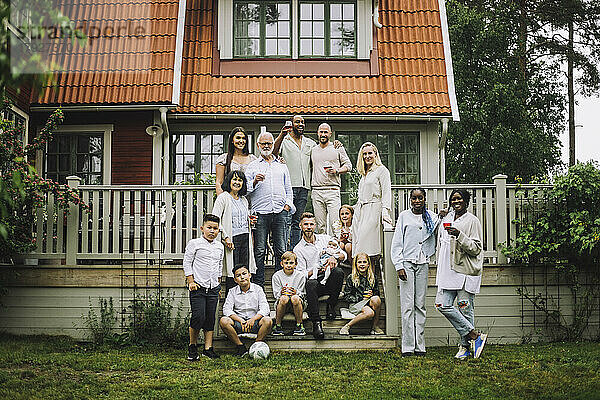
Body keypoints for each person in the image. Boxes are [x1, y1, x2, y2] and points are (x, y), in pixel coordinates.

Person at [435, 189, 487, 360]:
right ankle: (474, 335)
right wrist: (440, 216)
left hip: (464, 271)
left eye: (459, 199)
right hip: (446, 271)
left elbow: (476, 248)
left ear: (466, 202)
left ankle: (465, 347)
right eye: (453, 199)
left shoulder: (473, 221)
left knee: (465, 308)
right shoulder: (446, 218)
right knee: (442, 305)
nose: (456, 202)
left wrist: (459, 235)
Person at [391, 188, 441, 356]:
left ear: (424, 199)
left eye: (420, 198)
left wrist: (444, 215)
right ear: (410, 200)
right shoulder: (404, 216)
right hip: (407, 263)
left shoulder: (431, 217)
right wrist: (399, 265)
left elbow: (441, 224)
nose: (417, 201)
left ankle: (420, 346)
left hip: (423, 262)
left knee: (420, 304)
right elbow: (397, 242)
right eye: (414, 198)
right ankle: (407, 346)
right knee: (407, 305)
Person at [245, 131, 295, 287]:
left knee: (281, 249)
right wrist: (254, 182)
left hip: (280, 212)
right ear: (258, 145)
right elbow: (244, 190)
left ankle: (281, 283)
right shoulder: (252, 166)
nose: (266, 146)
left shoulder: (281, 165)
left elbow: (288, 188)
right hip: (260, 213)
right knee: (259, 250)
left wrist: (287, 205)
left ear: (273, 145)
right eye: (263, 143)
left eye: (269, 143)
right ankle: (258, 283)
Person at [293, 212, 345, 339]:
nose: (309, 227)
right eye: (306, 224)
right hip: (315, 284)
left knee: (338, 272)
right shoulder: (298, 249)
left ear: (315, 225)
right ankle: (316, 322)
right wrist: (317, 270)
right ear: (300, 226)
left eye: (311, 224)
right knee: (311, 283)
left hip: (329, 280)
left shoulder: (325, 239)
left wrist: (334, 257)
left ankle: (331, 305)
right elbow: (301, 274)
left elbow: (344, 255)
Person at [183, 213, 224, 361]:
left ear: (219, 230)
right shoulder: (195, 244)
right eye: (209, 228)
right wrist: (191, 281)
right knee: (198, 317)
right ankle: (192, 346)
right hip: (198, 287)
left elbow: (219, 265)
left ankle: (208, 348)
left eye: (215, 228)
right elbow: (187, 263)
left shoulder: (219, 247)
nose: (212, 231)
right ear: (202, 228)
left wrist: (218, 284)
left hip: (213, 288)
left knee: (209, 318)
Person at [273, 116, 316, 250]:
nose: (301, 124)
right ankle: (285, 252)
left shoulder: (310, 143)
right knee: (286, 221)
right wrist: (281, 134)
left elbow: (321, 151)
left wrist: (335, 146)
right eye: (297, 122)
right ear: (291, 124)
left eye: (303, 122)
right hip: (288, 188)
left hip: (304, 187)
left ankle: (295, 252)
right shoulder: (284, 141)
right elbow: (273, 153)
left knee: (297, 222)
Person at [211, 170, 256, 294]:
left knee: (244, 272)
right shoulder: (223, 198)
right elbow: (215, 219)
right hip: (232, 239)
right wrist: (225, 238)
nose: (237, 182)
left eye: (240, 180)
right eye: (234, 179)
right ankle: (229, 303)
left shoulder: (244, 200)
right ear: (229, 181)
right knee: (233, 273)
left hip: (245, 238)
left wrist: (250, 222)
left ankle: (243, 302)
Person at [352, 142, 393, 264]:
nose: (367, 156)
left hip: (374, 209)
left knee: (368, 246)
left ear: (375, 154)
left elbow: (386, 192)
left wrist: (385, 211)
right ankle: (360, 279)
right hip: (361, 211)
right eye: (364, 154)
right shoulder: (364, 173)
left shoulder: (381, 170)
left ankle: (371, 278)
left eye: (370, 153)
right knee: (358, 245)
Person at [220, 264, 273, 356]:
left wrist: (253, 320)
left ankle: (256, 346)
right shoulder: (232, 291)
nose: (242, 277)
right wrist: (241, 320)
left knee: (267, 320)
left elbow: (265, 308)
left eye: (244, 274)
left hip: (255, 323)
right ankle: (241, 347)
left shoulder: (258, 289)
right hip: (239, 324)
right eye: (238, 276)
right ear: (235, 280)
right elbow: (226, 309)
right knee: (224, 321)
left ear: (249, 275)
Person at [310, 123, 352, 235]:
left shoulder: (337, 147)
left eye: (325, 132)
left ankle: (338, 249)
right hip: (316, 191)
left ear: (330, 134)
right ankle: (323, 250)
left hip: (332, 190)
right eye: (321, 132)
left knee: (336, 224)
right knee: (320, 226)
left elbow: (349, 166)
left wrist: (337, 170)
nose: (323, 134)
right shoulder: (313, 150)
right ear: (317, 133)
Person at [339, 252, 383, 335]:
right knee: (370, 313)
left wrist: (372, 294)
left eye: (364, 262)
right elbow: (346, 296)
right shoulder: (351, 277)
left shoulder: (373, 278)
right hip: (356, 304)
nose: (362, 264)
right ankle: (347, 326)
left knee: (376, 299)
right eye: (359, 262)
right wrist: (360, 298)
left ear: (368, 264)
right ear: (355, 264)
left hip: (368, 302)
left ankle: (375, 327)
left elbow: (377, 295)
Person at [271, 251, 307, 336]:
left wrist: (296, 292)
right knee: (284, 298)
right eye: (286, 263)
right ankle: (278, 326)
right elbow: (276, 294)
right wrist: (281, 293)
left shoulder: (300, 276)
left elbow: (303, 293)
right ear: (281, 264)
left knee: (295, 298)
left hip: (298, 302)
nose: (288, 265)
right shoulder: (276, 276)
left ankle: (299, 325)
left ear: (296, 264)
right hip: (282, 303)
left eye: (291, 263)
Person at [215, 127, 257, 195]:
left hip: (249, 199)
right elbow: (219, 183)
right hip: (230, 199)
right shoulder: (223, 159)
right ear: (232, 140)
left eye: (243, 138)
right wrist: (221, 200)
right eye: (238, 138)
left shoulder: (253, 159)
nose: (241, 141)